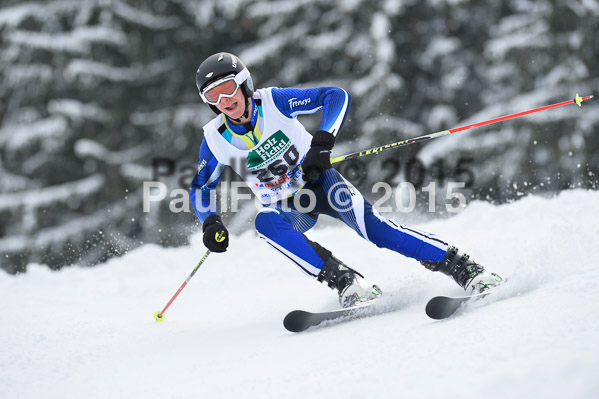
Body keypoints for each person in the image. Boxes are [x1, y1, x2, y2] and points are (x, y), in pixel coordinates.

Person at [190, 52, 503, 308]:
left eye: (228, 88)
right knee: (265, 224)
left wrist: (322, 144)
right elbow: (201, 187)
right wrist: (211, 222)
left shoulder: (273, 102)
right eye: (213, 96)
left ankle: (463, 267)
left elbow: (334, 96)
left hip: (323, 184)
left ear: (244, 84)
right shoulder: (215, 138)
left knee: (378, 232)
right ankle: (345, 280)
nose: (224, 100)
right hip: (289, 206)